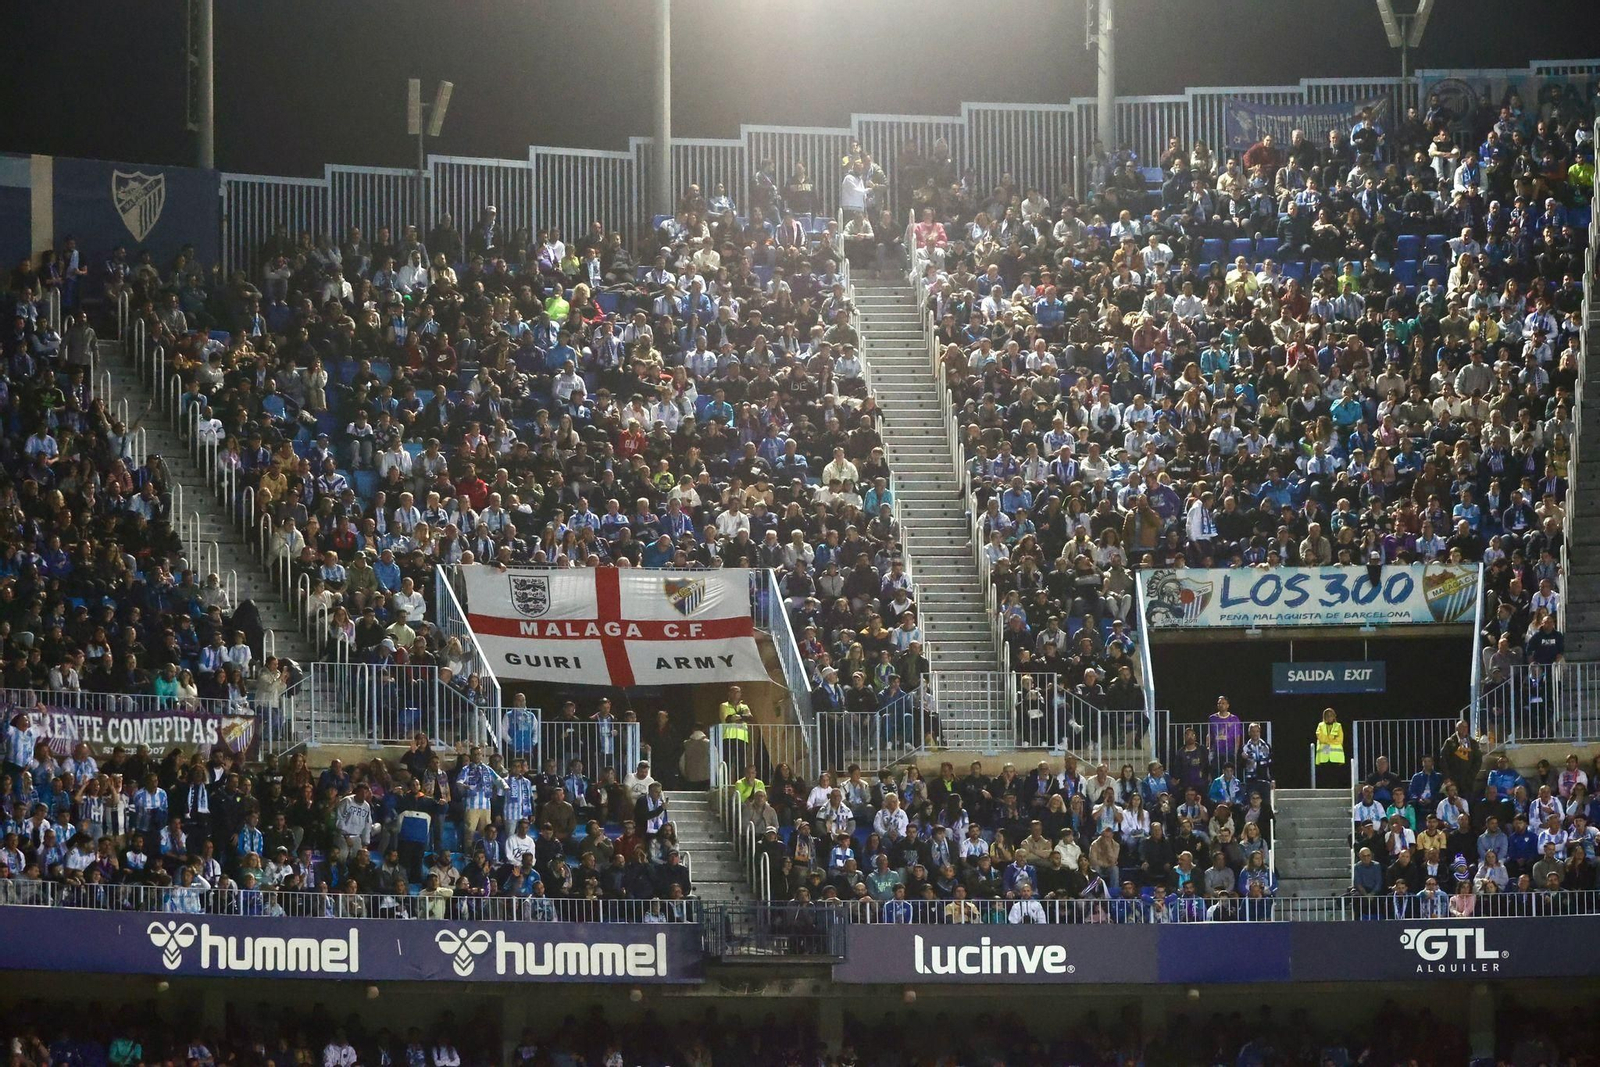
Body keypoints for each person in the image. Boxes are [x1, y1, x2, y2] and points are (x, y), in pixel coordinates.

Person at [1313, 708, 1346, 787]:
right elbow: (1320, 736)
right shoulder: (1320, 725)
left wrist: (1327, 740)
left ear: (1334, 717)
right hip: (1325, 751)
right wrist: (1331, 739)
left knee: (1335, 774)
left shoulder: (1338, 726)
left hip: (1336, 755)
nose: (1329, 717)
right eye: (1327, 716)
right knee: (1325, 772)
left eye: (1331, 715)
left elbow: (1340, 739)